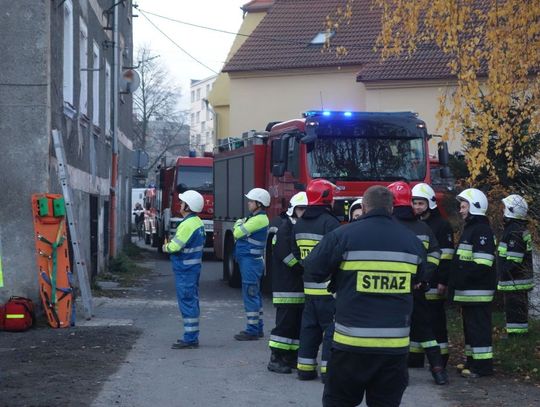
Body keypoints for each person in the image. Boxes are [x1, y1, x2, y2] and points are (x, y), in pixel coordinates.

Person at [304, 185, 427, 406]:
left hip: (350, 345)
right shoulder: (412, 242)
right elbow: (422, 281)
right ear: (392, 208)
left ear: (363, 206)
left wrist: (338, 275)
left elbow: (313, 269)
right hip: (394, 349)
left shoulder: (343, 235)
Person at [388, 181, 447, 385]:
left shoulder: (387, 227)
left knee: (392, 332)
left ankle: (394, 374)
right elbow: (435, 254)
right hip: (418, 289)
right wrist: (424, 277)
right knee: (426, 331)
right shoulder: (423, 227)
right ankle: (439, 371)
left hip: (392, 289)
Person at [292, 179, 340, 382]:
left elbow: (296, 253)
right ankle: (329, 372)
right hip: (328, 291)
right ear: (327, 198)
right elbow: (337, 256)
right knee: (331, 331)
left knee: (309, 329)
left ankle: (304, 369)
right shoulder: (331, 223)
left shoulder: (300, 222)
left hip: (308, 289)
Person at [452, 188, 496, 378]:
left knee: (479, 330)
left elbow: (483, 263)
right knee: (470, 330)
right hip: (469, 292)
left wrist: (461, 277)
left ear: (475, 207)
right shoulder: (472, 229)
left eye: (463, 206)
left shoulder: (481, 230)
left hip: (478, 292)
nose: (461, 210)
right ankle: (472, 362)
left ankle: (482, 367)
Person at [412, 183, 455, 366]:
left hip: (435, 282)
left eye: (420, 203)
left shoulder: (442, 225)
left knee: (436, 322)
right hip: (418, 283)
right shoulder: (415, 224)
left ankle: (441, 358)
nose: (416, 207)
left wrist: (442, 281)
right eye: (414, 203)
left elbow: (446, 257)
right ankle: (414, 358)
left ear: (429, 204)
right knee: (416, 320)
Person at [267, 192, 308, 374]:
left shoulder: (299, 228)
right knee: (284, 325)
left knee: (295, 325)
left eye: (307, 209)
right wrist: (304, 268)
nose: (304, 213)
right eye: (301, 209)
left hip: (299, 288)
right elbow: (286, 257)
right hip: (287, 289)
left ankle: (290, 357)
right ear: (293, 210)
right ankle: (275, 358)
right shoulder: (285, 228)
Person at [163, 190, 206, 349]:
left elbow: (175, 246)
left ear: (188, 206)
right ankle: (191, 336)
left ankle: (190, 338)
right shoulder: (198, 222)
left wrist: (166, 246)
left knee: (187, 302)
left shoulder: (187, 224)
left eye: (182, 203)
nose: (180, 205)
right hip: (192, 269)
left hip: (185, 270)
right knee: (191, 301)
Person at [233, 188, 271, 341]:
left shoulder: (259, 219)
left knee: (250, 294)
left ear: (259, 204)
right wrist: (240, 224)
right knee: (253, 294)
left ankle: (252, 330)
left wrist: (238, 224)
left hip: (251, 262)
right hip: (250, 261)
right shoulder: (254, 218)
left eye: (251, 201)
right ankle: (257, 327)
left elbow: (236, 232)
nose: (248, 203)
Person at [497, 194, 533, 335]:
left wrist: (502, 273)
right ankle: (517, 335)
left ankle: (516, 337)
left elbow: (514, 260)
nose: (502, 210)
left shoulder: (514, 231)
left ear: (510, 210)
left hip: (515, 280)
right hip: (517, 280)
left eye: (505, 207)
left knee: (515, 311)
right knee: (517, 311)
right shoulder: (517, 228)